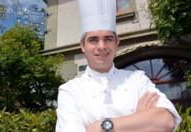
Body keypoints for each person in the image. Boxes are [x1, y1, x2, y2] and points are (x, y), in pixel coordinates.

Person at [55, 0, 181, 132]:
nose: (102, 46)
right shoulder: (70, 91)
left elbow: (167, 121)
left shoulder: (137, 79)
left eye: (108, 39)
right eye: (93, 40)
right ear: (82, 46)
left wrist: (103, 126)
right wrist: (138, 121)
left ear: (117, 43)